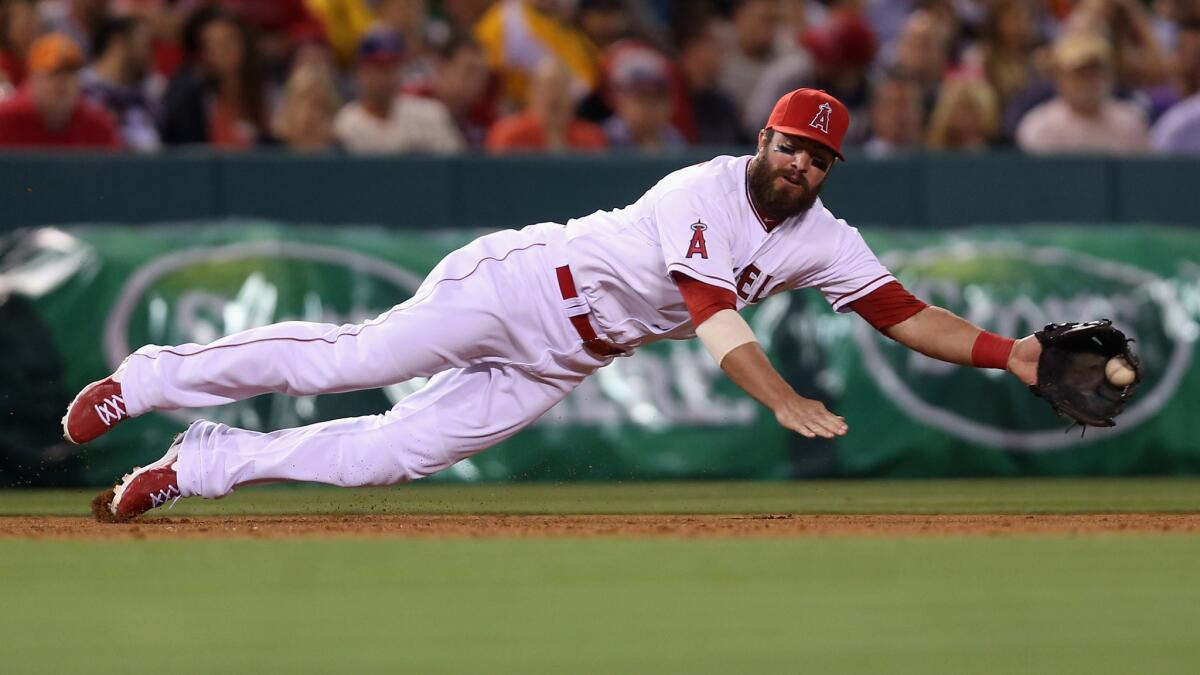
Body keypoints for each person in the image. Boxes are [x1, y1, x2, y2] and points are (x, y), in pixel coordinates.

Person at [68, 88, 1045, 521]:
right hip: (521, 287)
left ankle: (206, 465)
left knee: (391, 457)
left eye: (820, 156)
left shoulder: (826, 238)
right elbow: (712, 314)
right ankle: (151, 379)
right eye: (791, 143)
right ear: (763, 137)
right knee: (351, 362)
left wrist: (1011, 354)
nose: (802, 162)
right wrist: (778, 397)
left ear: (832, 169)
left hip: (563, 359)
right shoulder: (700, 191)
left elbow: (903, 314)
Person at [1015, 30, 1150, 154]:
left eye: (1095, 72)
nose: (1088, 81)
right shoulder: (1039, 127)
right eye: (1080, 73)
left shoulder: (1131, 123)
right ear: (1060, 77)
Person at [332, 30, 464, 153]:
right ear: (360, 72)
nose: (385, 76)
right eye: (378, 67)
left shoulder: (431, 114)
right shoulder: (345, 124)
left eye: (392, 67)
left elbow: (456, 169)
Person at [159, 7, 272, 149]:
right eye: (214, 45)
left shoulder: (268, 90)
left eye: (230, 40)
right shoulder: (193, 99)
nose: (224, 51)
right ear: (202, 53)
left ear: (245, 42)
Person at [0, 32, 120, 149]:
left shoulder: (97, 125)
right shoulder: (5, 119)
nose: (63, 81)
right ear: (33, 78)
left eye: (70, 72)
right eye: (54, 72)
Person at [485, 56, 606, 152]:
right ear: (531, 94)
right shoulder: (509, 134)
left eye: (561, 88)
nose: (554, 96)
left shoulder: (591, 138)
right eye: (547, 88)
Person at [81, 15, 163, 152]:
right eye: (143, 45)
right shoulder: (81, 89)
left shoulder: (150, 91)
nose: (149, 54)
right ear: (117, 43)